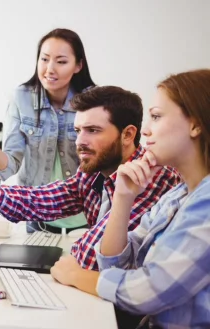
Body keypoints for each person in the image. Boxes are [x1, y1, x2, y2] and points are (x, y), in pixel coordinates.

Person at [0, 85, 180, 271]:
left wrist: (69, 263)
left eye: (92, 130)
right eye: (77, 130)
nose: (80, 141)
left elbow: (90, 257)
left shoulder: (151, 177)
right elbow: (41, 199)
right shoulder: (93, 172)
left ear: (128, 134)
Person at [50, 69, 210, 329]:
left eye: (157, 117)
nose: (145, 130)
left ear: (195, 125)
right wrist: (123, 198)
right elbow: (117, 265)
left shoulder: (206, 201)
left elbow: (148, 292)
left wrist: (76, 276)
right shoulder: (177, 196)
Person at [0, 28, 95, 234]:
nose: (50, 69)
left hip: (85, 221)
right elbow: (10, 167)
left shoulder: (93, 102)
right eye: (44, 59)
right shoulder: (20, 98)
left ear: (78, 65)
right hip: (38, 221)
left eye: (61, 61)